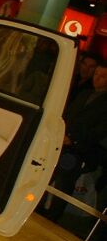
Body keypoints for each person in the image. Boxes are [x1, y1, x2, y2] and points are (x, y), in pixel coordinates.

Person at [39, 59, 107, 221]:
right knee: (47, 175)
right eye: (96, 74)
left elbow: (100, 131)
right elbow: (68, 115)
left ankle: (53, 215)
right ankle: (38, 206)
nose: (97, 78)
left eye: (103, 76)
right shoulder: (84, 94)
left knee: (64, 182)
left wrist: (73, 140)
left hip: (79, 149)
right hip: (62, 142)